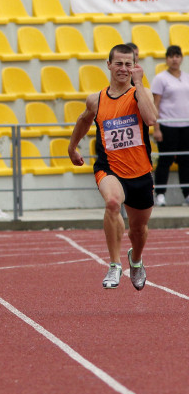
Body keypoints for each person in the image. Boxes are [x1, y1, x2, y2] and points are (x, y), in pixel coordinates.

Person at [68, 44, 156, 290]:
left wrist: (138, 84)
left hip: (140, 171)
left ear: (135, 67)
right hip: (110, 167)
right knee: (113, 203)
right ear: (108, 65)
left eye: (129, 64)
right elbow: (84, 119)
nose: (123, 69)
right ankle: (115, 265)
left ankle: (136, 260)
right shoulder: (96, 99)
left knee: (138, 230)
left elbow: (150, 119)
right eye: (118, 63)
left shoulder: (141, 93)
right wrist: (72, 147)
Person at [151, 45, 189, 206]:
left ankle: (187, 194)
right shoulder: (160, 78)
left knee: (185, 160)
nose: (175, 59)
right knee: (165, 160)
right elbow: (156, 104)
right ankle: (160, 194)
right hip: (167, 125)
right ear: (166, 59)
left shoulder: (186, 76)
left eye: (177, 56)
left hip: (185, 125)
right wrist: (157, 127)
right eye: (171, 56)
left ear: (181, 58)